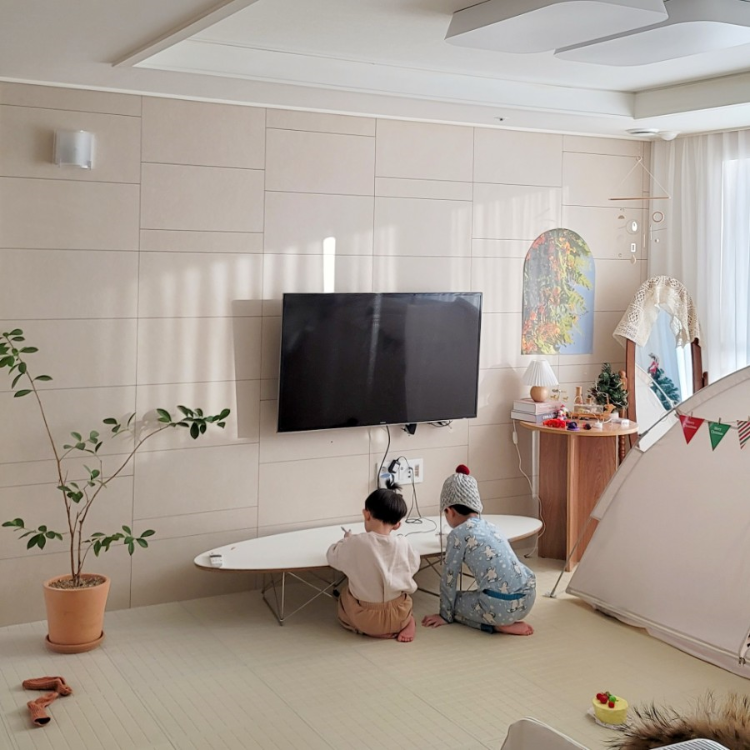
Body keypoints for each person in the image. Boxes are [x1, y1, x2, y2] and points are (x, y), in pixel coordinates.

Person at [422, 465, 536, 635]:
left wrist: (444, 615)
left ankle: (497, 625)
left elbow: (449, 578)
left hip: (500, 608)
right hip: (527, 599)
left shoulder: (457, 535)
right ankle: (502, 619)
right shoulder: (492, 527)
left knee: (454, 604)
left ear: (449, 511)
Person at [326, 486, 421, 643]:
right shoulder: (403, 543)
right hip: (399, 613)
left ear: (366, 514)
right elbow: (414, 563)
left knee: (345, 595)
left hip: (366, 619)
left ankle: (369, 630)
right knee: (404, 597)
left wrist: (346, 540)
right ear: (397, 525)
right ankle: (409, 621)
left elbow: (332, 556)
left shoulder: (356, 543)